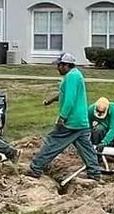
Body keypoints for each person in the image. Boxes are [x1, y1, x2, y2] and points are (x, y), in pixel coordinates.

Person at [29, 51, 106, 189]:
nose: (57, 68)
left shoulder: (70, 77)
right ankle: (94, 173)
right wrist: (50, 100)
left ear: (66, 65)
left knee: (52, 143)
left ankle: (35, 168)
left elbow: (70, 100)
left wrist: (62, 117)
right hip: (81, 121)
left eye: (59, 65)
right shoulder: (76, 75)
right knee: (86, 148)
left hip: (71, 122)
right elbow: (64, 93)